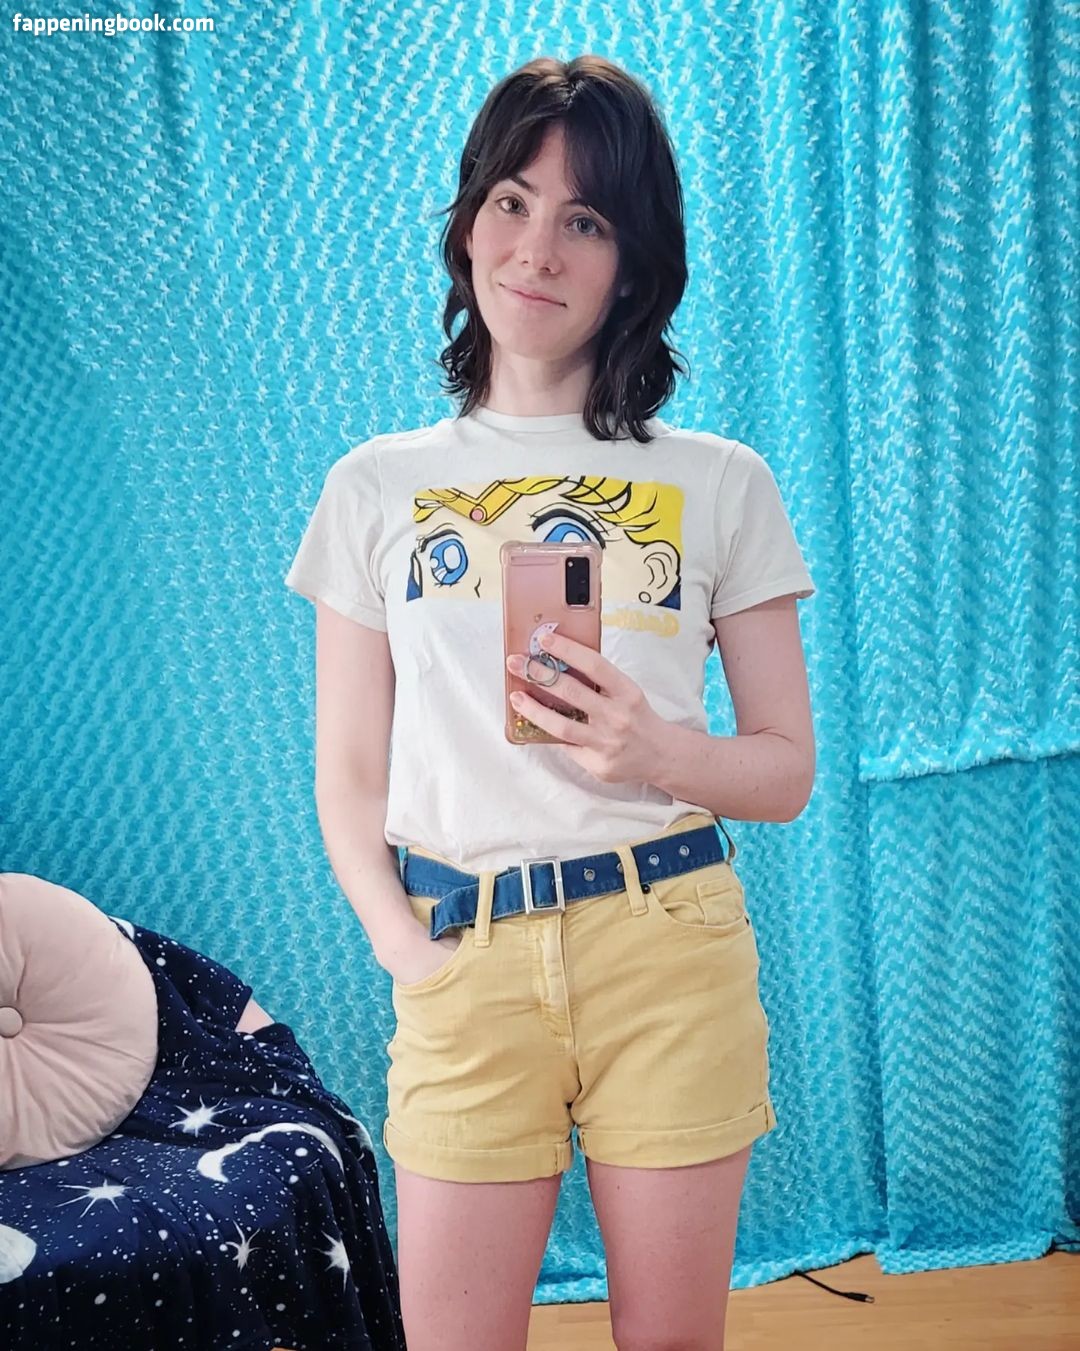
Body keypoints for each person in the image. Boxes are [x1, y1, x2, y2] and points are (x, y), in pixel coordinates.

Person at [284, 54, 816, 1351]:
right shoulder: (375, 486)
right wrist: (408, 953)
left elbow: (786, 771)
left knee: (670, 1342)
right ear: (469, 223)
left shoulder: (721, 481)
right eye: (512, 203)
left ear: (632, 264)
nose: (537, 248)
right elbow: (349, 774)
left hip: (667, 945)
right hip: (463, 951)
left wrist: (659, 748)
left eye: (586, 220)